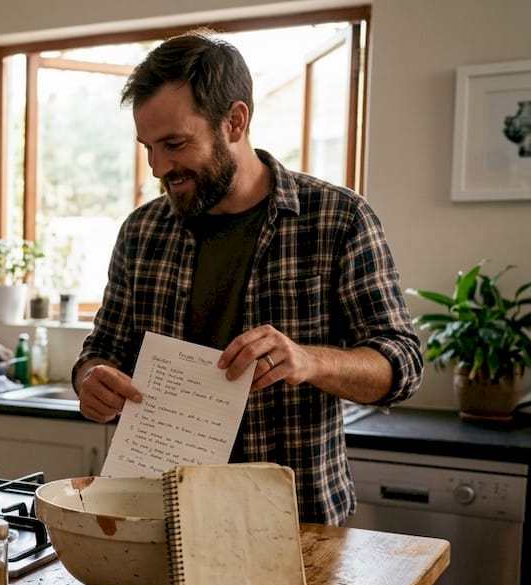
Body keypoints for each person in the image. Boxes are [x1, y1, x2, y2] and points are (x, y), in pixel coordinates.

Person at [71, 31, 422, 525]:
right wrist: (91, 379)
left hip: (296, 525)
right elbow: (100, 350)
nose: (158, 167)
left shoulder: (338, 219)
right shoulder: (142, 231)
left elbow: (402, 366)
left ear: (235, 121)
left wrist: (308, 360)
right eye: (148, 147)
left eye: (175, 144)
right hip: (158, 518)